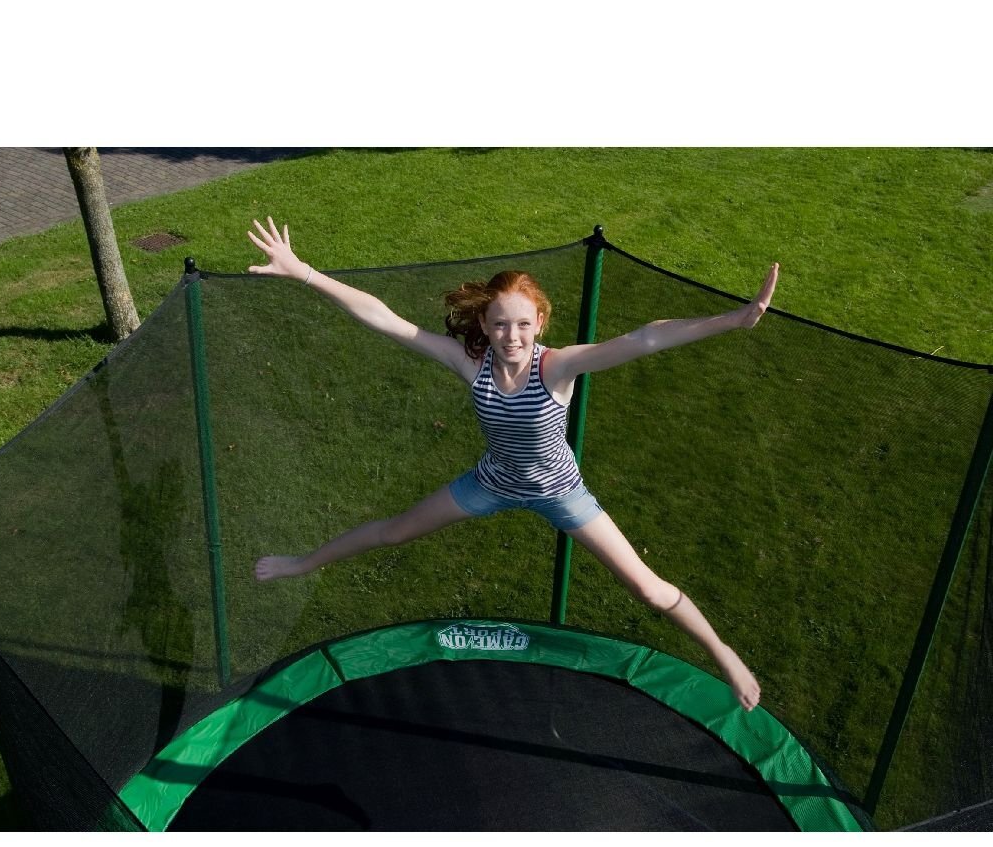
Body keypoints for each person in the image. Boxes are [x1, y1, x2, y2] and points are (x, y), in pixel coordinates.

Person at [247, 217, 779, 712]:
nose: (512, 336)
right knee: (393, 532)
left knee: (648, 589)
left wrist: (735, 318)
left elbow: (647, 337)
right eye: (500, 324)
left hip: (561, 493)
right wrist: (305, 272)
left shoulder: (559, 366)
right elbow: (385, 319)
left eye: (523, 324)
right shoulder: (470, 363)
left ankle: (722, 652)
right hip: (492, 482)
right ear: (484, 322)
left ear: (540, 322)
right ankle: (303, 564)